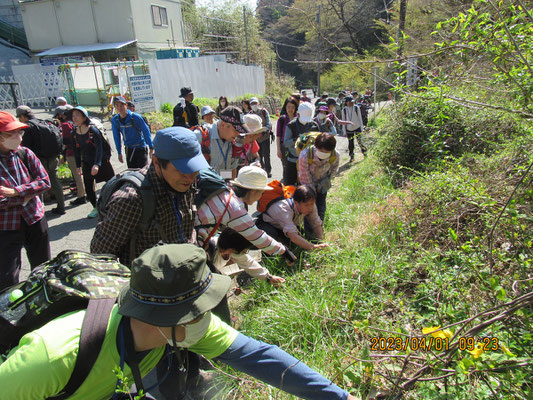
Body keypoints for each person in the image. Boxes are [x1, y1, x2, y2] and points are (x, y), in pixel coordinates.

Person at [0, 244, 358, 400]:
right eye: (199, 310)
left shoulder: (183, 329)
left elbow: (261, 357)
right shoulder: (52, 355)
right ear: (164, 317)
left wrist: (339, 397)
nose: (210, 319)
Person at [91, 127, 208, 267]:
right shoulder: (132, 199)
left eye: (194, 168)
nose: (190, 177)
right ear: (157, 163)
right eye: (182, 170)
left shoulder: (185, 183)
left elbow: (185, 229)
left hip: (180, 277)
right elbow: (99, 255)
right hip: (146, 285)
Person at [196, 165, 295, 276]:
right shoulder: (234, 207)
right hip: (194, 241)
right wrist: (284, 251)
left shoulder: (226, 193)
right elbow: (257, 237)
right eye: (261, 193)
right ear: (253, 191)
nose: (261, 197)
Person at [0, 111, 51, 290]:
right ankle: (10, 315)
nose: (18, 137)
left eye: (19, 132)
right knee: (7, 278)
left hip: (35, 218)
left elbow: (45, 182)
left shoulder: (25, 154)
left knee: (43, 269)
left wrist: (15, 192)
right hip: (6, 227)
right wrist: (26, 196)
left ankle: (43, 305)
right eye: (12, 133)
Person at [16, 105, 65, 215]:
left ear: (23, 116)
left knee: (38, 184)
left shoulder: (27, 127)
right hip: (53, 158)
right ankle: (61, 207)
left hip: (39, 160)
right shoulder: (45, 122)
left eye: (19, 117)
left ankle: (39, 210)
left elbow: (26, 148)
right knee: (55, 182)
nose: (19, 120)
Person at [72, 106, 114, 219]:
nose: (74, 118)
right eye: (73, 115)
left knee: (112, 182)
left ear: (84, 117)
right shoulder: (74, 132)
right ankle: (96, 207)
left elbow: (99, 148)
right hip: (86, 162)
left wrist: (97, 164)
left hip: (101, 161)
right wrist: (77, 165)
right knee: (89, 187)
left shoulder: (93, 130)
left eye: (77, 115)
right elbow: (76, 150)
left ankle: (115, 203)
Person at [256, 185, 327, 252]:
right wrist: (313, 247)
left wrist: (320, 241)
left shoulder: (309, 203)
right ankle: (268, 255)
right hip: (267, 225)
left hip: (283, 226)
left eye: (312, 204)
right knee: (279, 246)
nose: (310, 207)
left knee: (304, 239)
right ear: (296, 203)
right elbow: (293, 236)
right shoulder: (284, 210)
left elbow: (316, 223)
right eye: (306, 205)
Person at [212, 227, 286, 286]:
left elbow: (248, 263)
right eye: (244, 250)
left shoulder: (227, 247)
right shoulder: (209, 254)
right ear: (232, 249)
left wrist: (269, 278)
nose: (245, 252)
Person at [297, 133, 340, 222]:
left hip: (323, 183)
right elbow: (305, 176)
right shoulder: (305, 155)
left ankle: (320, 225)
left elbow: (334, 169)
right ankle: (308, 230)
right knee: (309, 207)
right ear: (316, 147)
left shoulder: (335, 155)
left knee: (321, 205)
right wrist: (312, 191)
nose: (323, 154)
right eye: (321, 151)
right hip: (308, 183)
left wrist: (326, 181)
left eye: (326, 152)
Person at [197, 106, 249, 178]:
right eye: (235, 130)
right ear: (223, 125)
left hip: (223, 185)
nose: (238, 133)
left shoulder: (232, 141)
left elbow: (231, 168)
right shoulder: (200, 136)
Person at [54, 106, 86, 206]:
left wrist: (63, 154)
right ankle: (89, 193)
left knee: (77, 175)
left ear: (60, 114)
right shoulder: (75, 123)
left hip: (72, 153)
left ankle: (81, 196)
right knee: (85, 174)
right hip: (82, 152)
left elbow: (66, 141)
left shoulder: (65, 125)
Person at [111, 96, 154, 169]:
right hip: (129, 149)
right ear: (114, 107)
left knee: (143, 172)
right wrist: (119, 152)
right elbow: (116, 136)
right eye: (117, 105)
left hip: (140, 148)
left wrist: (151, 147)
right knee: (132, 172)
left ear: (126, 105)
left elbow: (146, 131)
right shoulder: (115, 120)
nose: (119, 107)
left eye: (121, 105)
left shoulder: (136, 117)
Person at [283, 101, 319, 185]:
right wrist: (297, 139)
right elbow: (286, 143)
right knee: (290, 186)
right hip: (293, 160)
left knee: (306, 188)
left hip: (309, 161)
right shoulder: (291, 125)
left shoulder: (314, 125)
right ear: (298, 113)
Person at [249, 97, 272, 177]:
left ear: (258, 104)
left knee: (266, 155)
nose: (254, 105)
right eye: (252, 104)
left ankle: (268, 171)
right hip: (255, 139)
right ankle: (262, 171)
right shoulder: (249, 115)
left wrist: (263, 132)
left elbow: (269, 124)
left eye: (255, 103)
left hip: (265, 137)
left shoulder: (264, 112)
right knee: (259, 155)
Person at [276, 97, 298, 183]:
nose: (290, 109)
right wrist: (278, 150)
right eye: (288, 107)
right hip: (284, 147)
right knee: (286, 167)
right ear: (285, 107)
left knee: (297, 166)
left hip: (296, 147)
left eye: (292, 107)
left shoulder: (298, 119)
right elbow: (278, 136)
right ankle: (286, 185)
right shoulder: (282, 119)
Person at [341, 96, 366, 162]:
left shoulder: (356, 108)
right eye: (349, 102)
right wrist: (344, 132)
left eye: (351, 102)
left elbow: (360, 118)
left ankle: (364, 153)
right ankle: (352, 156)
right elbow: (343, 121)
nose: (350, 103)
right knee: (350, 143)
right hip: (349, 129)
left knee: (360, 141)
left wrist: (361, 128)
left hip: (357, 127)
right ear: (346, 102)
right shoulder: (344, 110)